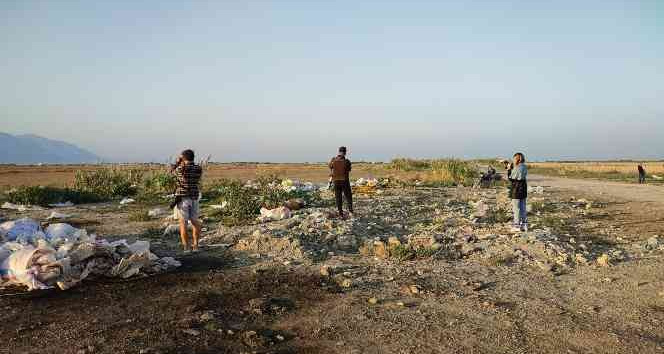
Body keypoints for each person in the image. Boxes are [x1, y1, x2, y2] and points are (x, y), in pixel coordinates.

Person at [170, 149, 203, 253]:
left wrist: (178, 161)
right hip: (194, 197)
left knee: (183, 223)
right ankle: (196, 246)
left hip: (183, 198)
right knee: (195, 222)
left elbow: (171, 171)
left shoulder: (180, 169)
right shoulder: (198, 168)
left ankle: (186, 248)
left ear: (183, 158)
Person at [329, 146, 353, 218]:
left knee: (338, 197)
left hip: (336, 181)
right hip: (344, 181)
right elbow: (349, 169)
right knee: (348, 196)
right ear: (345, 152)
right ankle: (350, 211)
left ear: (339, 152)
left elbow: (330, 166)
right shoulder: (347, 161)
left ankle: (340, 213)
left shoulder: (333, 160)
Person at [508, 152, 528, 232]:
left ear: (516, 159)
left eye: (514, 158)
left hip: (516, 189)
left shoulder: (517, 168)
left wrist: (509, 169)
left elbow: (511, 178)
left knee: (516, 208)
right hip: (523, 188)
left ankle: (516, 225)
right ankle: (524, 224)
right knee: (523, 207)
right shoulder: (524, 167)